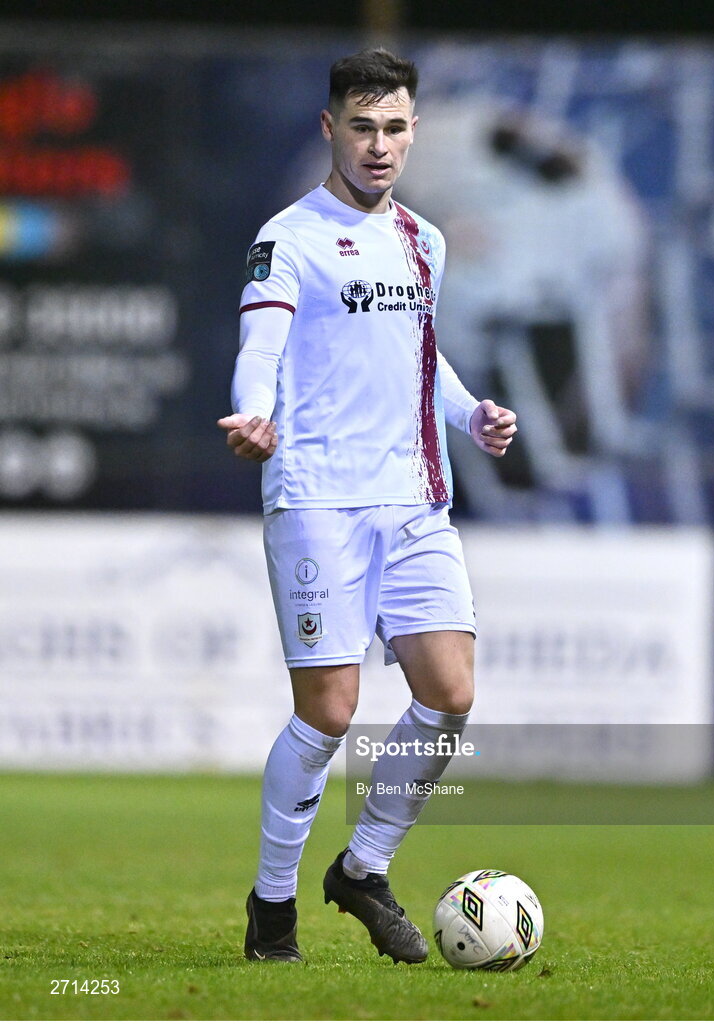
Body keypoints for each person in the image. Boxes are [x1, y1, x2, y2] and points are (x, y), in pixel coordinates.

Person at [217, 47, 517, 965]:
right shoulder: (289, 236)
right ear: (329, 129)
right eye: (361, 127)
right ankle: (272, 908)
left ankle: (363, 868)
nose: (378, 145)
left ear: (413, 129)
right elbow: (260, 347)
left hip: (416, 496)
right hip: (318, 497)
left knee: (450, 693)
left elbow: (422, 362)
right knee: (330, 712)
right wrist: (256, 414)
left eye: (393, 128)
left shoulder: (423, 240)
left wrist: (472, 414)